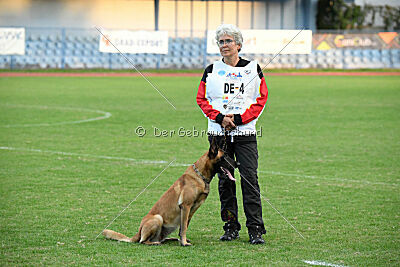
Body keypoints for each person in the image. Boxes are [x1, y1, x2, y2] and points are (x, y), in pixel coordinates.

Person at [196, 24, 268, 245]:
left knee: (249, 179)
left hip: (245, 134)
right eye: (221, 42)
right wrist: (220, 118)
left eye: (228, 41)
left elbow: (260, 99)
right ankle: (230, 227)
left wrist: (237, 120)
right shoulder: (211, 70)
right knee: (225, 183)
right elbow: (202, 99)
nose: (224, 45)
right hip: (219, 135)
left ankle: (255, 229)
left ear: (238, 44)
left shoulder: (253, 68)